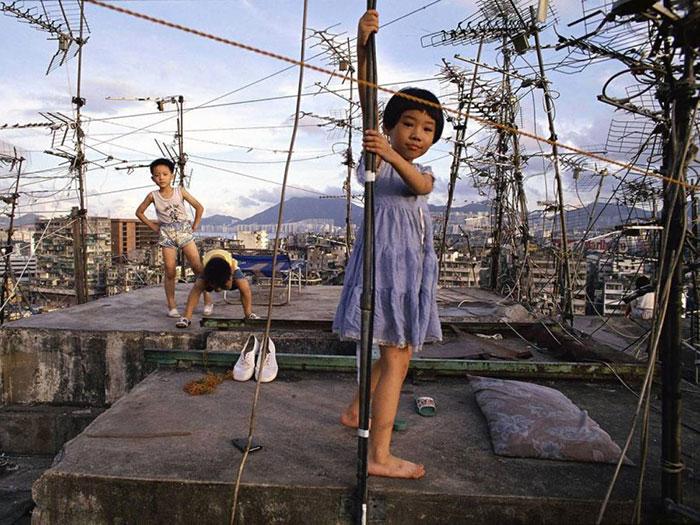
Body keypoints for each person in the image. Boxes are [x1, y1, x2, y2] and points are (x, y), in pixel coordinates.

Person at [333, 9, 443, 480]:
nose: (417, 134)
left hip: (409, 268)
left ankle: (358, 411)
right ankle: (378, 455)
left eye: (427, 129)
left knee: (395, 350)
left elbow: (420, 185)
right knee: (396, 354)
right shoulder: (377, 152)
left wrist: (393, 153)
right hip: (386, 267)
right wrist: (362, 44)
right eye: (409, 124)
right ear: (392, 124)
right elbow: (366, 94)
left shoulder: (409, 166)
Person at [135, 158, 212, 318]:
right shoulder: (153, 196)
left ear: (172, 175)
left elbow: (199, 206)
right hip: (166, 234)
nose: (161, 177)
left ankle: (207, 299)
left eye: (164, 174)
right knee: (170, 270)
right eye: (157, 175)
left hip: (184, 232)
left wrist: (195, 224)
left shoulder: (180, 191)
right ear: (152, 178)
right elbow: (139, 212)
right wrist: (154, 227)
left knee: (197, 267)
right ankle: (171, 305)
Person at [174, 248, 259, 328]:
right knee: (197, 288)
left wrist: (228, 283)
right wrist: (186, 318)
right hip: (210, 268)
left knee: (244, 287)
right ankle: (186, 318)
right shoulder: (205, 272)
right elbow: (194, 294)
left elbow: (245, 292)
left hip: (227, 268)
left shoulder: (233, 268)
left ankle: (249, 314)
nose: (218, 290)